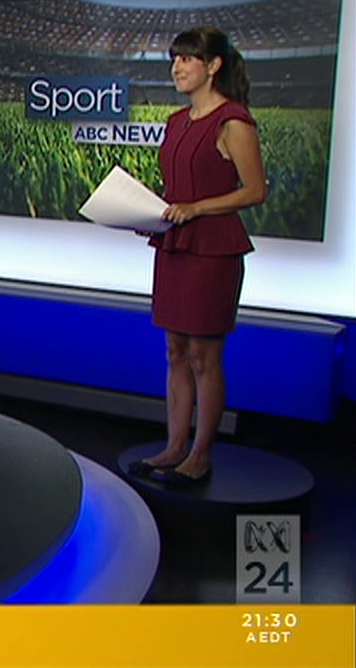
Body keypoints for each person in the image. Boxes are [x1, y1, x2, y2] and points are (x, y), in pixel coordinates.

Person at [127, 26, 267, 487]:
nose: (177, 67)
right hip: (175, 245)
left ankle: (200, 455)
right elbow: (176, 187)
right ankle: (174, 447)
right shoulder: (175, 122)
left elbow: (255, 191)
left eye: (187, 58)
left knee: (204, 356)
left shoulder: (233, 121)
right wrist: (150, 214)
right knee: (174, 351)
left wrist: (197, 208)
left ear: (214, 65)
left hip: (213, 249)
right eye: (174, 59)